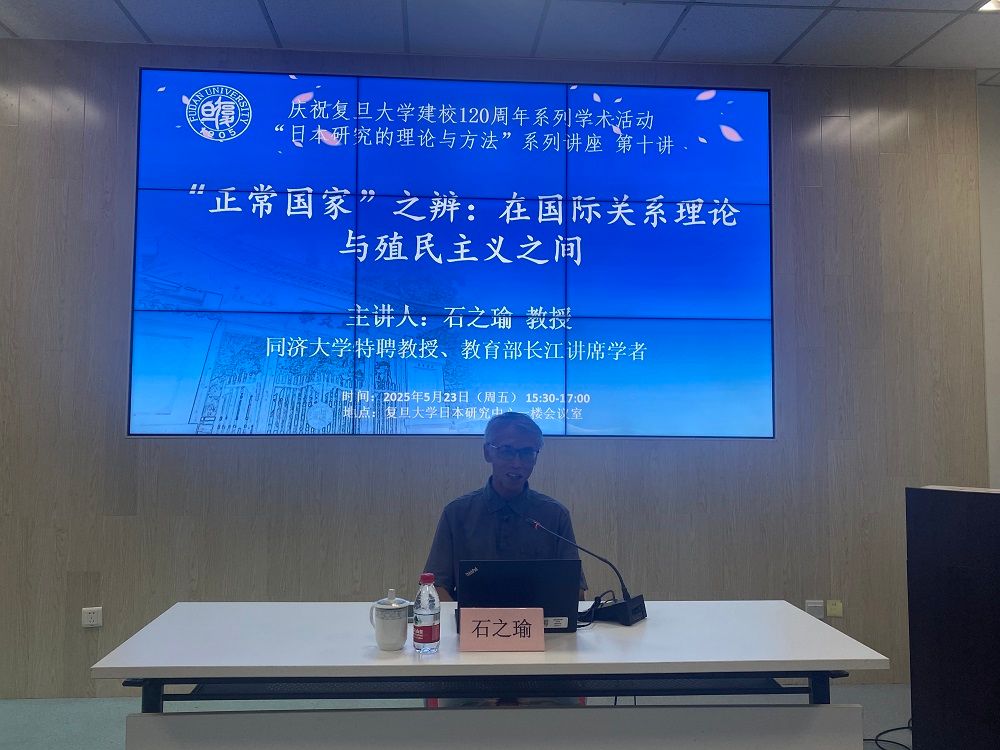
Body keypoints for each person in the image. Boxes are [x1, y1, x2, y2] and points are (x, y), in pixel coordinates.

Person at [424, 411, 588, 602]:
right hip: (472, 620)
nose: (517, 463)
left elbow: (575, 590)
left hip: (539, 621)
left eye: (527, 453)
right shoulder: (457, 513)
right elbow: (434, 586)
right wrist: (460, 617)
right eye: (507, 451)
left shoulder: (555, 515)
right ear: (488, 452)